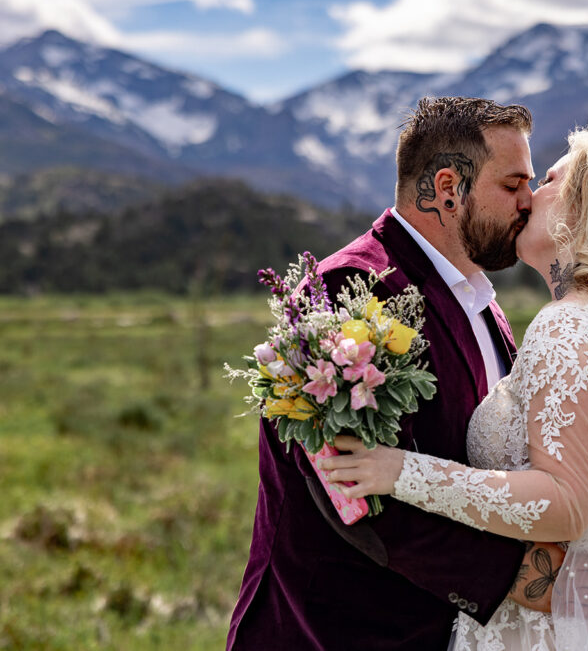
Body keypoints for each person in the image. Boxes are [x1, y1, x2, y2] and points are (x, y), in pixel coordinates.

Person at [320, 125, 588, 650]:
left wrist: (400, 470)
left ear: (582, 207)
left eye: (548, 180)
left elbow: (565, 500)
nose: (528, 198)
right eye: (517, 182)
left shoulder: (570, 326)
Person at [226, 97, 569, 650]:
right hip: (335, 631)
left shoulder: (482, 301)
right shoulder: (346, 292)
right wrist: (527, 580)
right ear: (449, 188)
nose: (528, 202)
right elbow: (354, 494)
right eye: (512, 185)